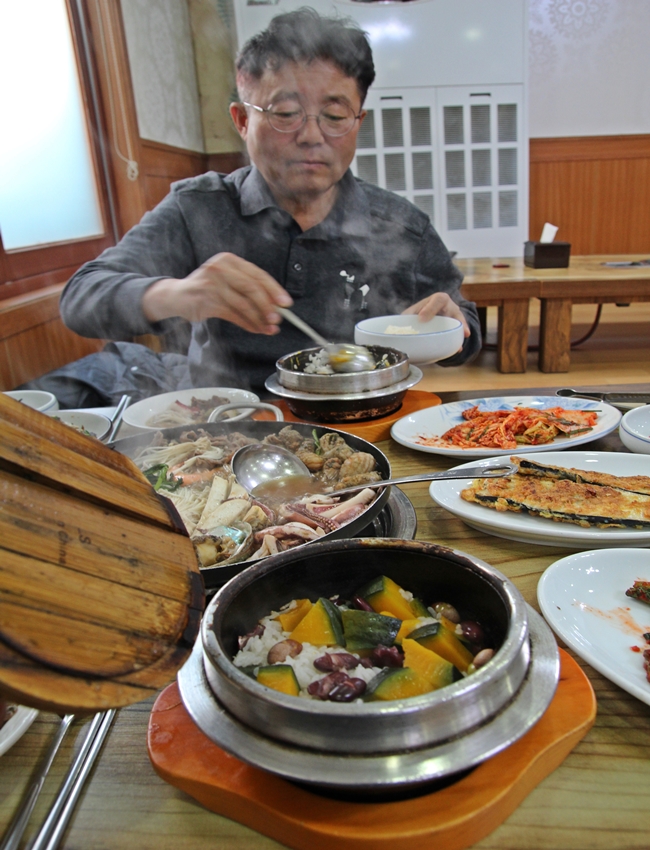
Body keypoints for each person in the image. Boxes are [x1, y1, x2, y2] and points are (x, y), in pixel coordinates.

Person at [60, 8, 481, 394]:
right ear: (242, 120)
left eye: (335, 116)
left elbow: (466, 331)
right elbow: (81, 297)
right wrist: (178, 294)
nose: (312, 135)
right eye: (285, 113)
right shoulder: (199, 208)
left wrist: (451, 323)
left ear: (358, 123)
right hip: (226, 421)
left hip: (361, 419)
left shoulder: (401, 225)